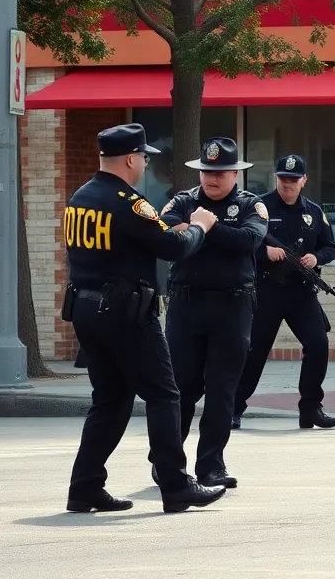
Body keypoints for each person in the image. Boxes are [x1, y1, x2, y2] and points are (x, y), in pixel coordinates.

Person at [64, 123, 226, 514]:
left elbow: (126, 241)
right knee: (164, 394)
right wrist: (201, 227)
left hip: (86, 310)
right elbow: (173, 248)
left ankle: (85, 486)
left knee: (110, 400)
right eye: (143, 157)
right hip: (126, 313)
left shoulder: (80, 197)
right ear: (130, 159)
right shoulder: (129, 202)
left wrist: (172, 228)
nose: (145, 164)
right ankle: (176, 484)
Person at [157, 138, 268, 489]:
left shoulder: (250, 205)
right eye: (207, 172)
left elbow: (248, 242)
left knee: (222, 390)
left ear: (235, 174)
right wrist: (204, 228)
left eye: (220, 173)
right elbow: (163, 231)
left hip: (232, 308)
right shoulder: (184, 201)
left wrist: (206, 227)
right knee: (180, 387)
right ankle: (167, 463)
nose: (212, 179)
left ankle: (211, 466)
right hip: (186, 307)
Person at [233, 153, 335, 431]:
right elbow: (241, 242)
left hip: (301, 292)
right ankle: (233, 408)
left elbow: (330, 247)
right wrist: (264, 252)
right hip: (266, 290)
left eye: (293, 179)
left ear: (304, 180)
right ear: (275, 178)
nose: (287, 184)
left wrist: (316, 258)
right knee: (254, 351)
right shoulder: (259, 208)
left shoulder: (314, 212)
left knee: (318, 344)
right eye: (282, 178)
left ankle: (311, 408)